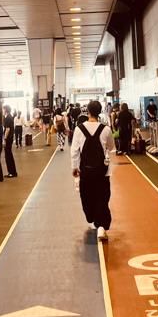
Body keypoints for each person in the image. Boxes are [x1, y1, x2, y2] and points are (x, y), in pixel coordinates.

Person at [71, 100, 116, 242]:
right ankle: (102, 227)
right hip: (102, 171)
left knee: (87, 196)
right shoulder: (106, 129)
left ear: (88, 112)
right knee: (102, 197)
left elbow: (74, 151)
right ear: (100, 112)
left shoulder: (79, 129)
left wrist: (74, 167)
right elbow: (111, 148)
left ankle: (92, 218)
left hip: (85, 170)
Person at [3, 105, 17, 178]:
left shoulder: (7, 118)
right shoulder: (10, 117)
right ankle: (12, 171)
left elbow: (7, 129)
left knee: (8, 155)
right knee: (9, 155)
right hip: (10, 137)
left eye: (4, 109)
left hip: (8, 138)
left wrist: (4, 139)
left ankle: (11, 172)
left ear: (6, 110)